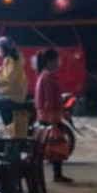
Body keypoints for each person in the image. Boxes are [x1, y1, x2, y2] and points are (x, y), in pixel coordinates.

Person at [32, 47, 72, 183]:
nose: (58, 63)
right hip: (50, 117)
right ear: (49, 62)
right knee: (56, 146)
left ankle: (56, 174)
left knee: (52, 147)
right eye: (56, 60)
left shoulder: (43, 75)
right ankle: (57, 175)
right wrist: (53, 121)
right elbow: (49, 99)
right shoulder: (49, 77)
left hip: (46, 116)